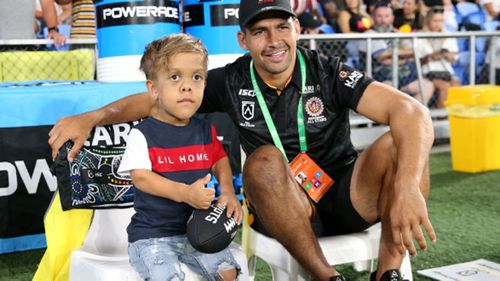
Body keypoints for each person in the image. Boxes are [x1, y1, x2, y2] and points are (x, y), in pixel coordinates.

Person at [48, 0, 437, 280]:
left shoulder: (327, 69)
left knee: (398, 143)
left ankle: (389, 273)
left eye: (282, 27)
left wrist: (406, 188)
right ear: (242, 39)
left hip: (347, 195)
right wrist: (93, 117)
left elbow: (413, 112)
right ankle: (325, 276)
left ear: (297, 29)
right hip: (285, 208)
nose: (274, 40)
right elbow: (156, 98)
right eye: (260, 31)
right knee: (264, 159)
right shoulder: (230, 79)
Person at [116, 33, 243, 281]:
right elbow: (141, 178)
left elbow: (220, 160)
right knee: (168, 277)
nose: (187, 86)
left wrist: (227, 191)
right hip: (153, 236)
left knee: (228, 272)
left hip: (198, 232)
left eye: (196, 77)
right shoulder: (142, 134)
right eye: (175, 77)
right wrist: (185, 193)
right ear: (153, 89)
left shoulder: (205, 130)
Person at [359, 2, 435, 104]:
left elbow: (414, 52)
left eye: (386, 16)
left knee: (427, 85)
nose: (383, 20)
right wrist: (403, 55)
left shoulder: (397, 34)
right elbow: (382, 56)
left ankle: (411, 116)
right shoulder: (369, 35)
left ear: (392, 18)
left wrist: (395, 54)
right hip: (379, 77)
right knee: (390, 90)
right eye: (379, 16)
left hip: (404, 75)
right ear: (373, 18)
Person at [416, 8, 460, 108]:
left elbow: (454, 60)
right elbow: (417, 60)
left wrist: (448, 56)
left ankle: (453, 116)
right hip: (428, 72)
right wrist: (431, 57)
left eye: (440, 21)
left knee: (456, 84)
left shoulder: (448, 34)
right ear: (428, 21)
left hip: (446, 71)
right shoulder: (420, 35)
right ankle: (442, 118)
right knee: (445, 86)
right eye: (435, 21)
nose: (438, 24)